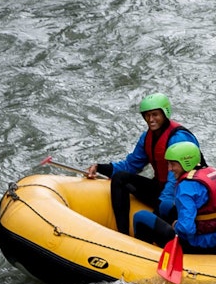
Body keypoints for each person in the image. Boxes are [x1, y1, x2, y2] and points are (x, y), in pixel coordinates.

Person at [86, 93, 201, 238]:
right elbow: (130, 165)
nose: (150, 119)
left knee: (160, 212)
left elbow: (174, 179)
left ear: (165, 113)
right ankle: (122, 235)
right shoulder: (147, 137)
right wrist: (101, 167)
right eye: (147, 115)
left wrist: (163, 203)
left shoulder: (179, 138)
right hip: (160, 188)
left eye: (155, 115)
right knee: (120, 178)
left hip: (183, 195)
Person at [128, 142, 216, 253]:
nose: (169, 168)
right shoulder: (214, 175)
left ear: (186, 163)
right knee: (165, 207)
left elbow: (186, 229)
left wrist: (176, 225)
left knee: (141, 216)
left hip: (195, 246)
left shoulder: (185, 187)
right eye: (168, 164)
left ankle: (144, 255)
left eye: (173, 164)